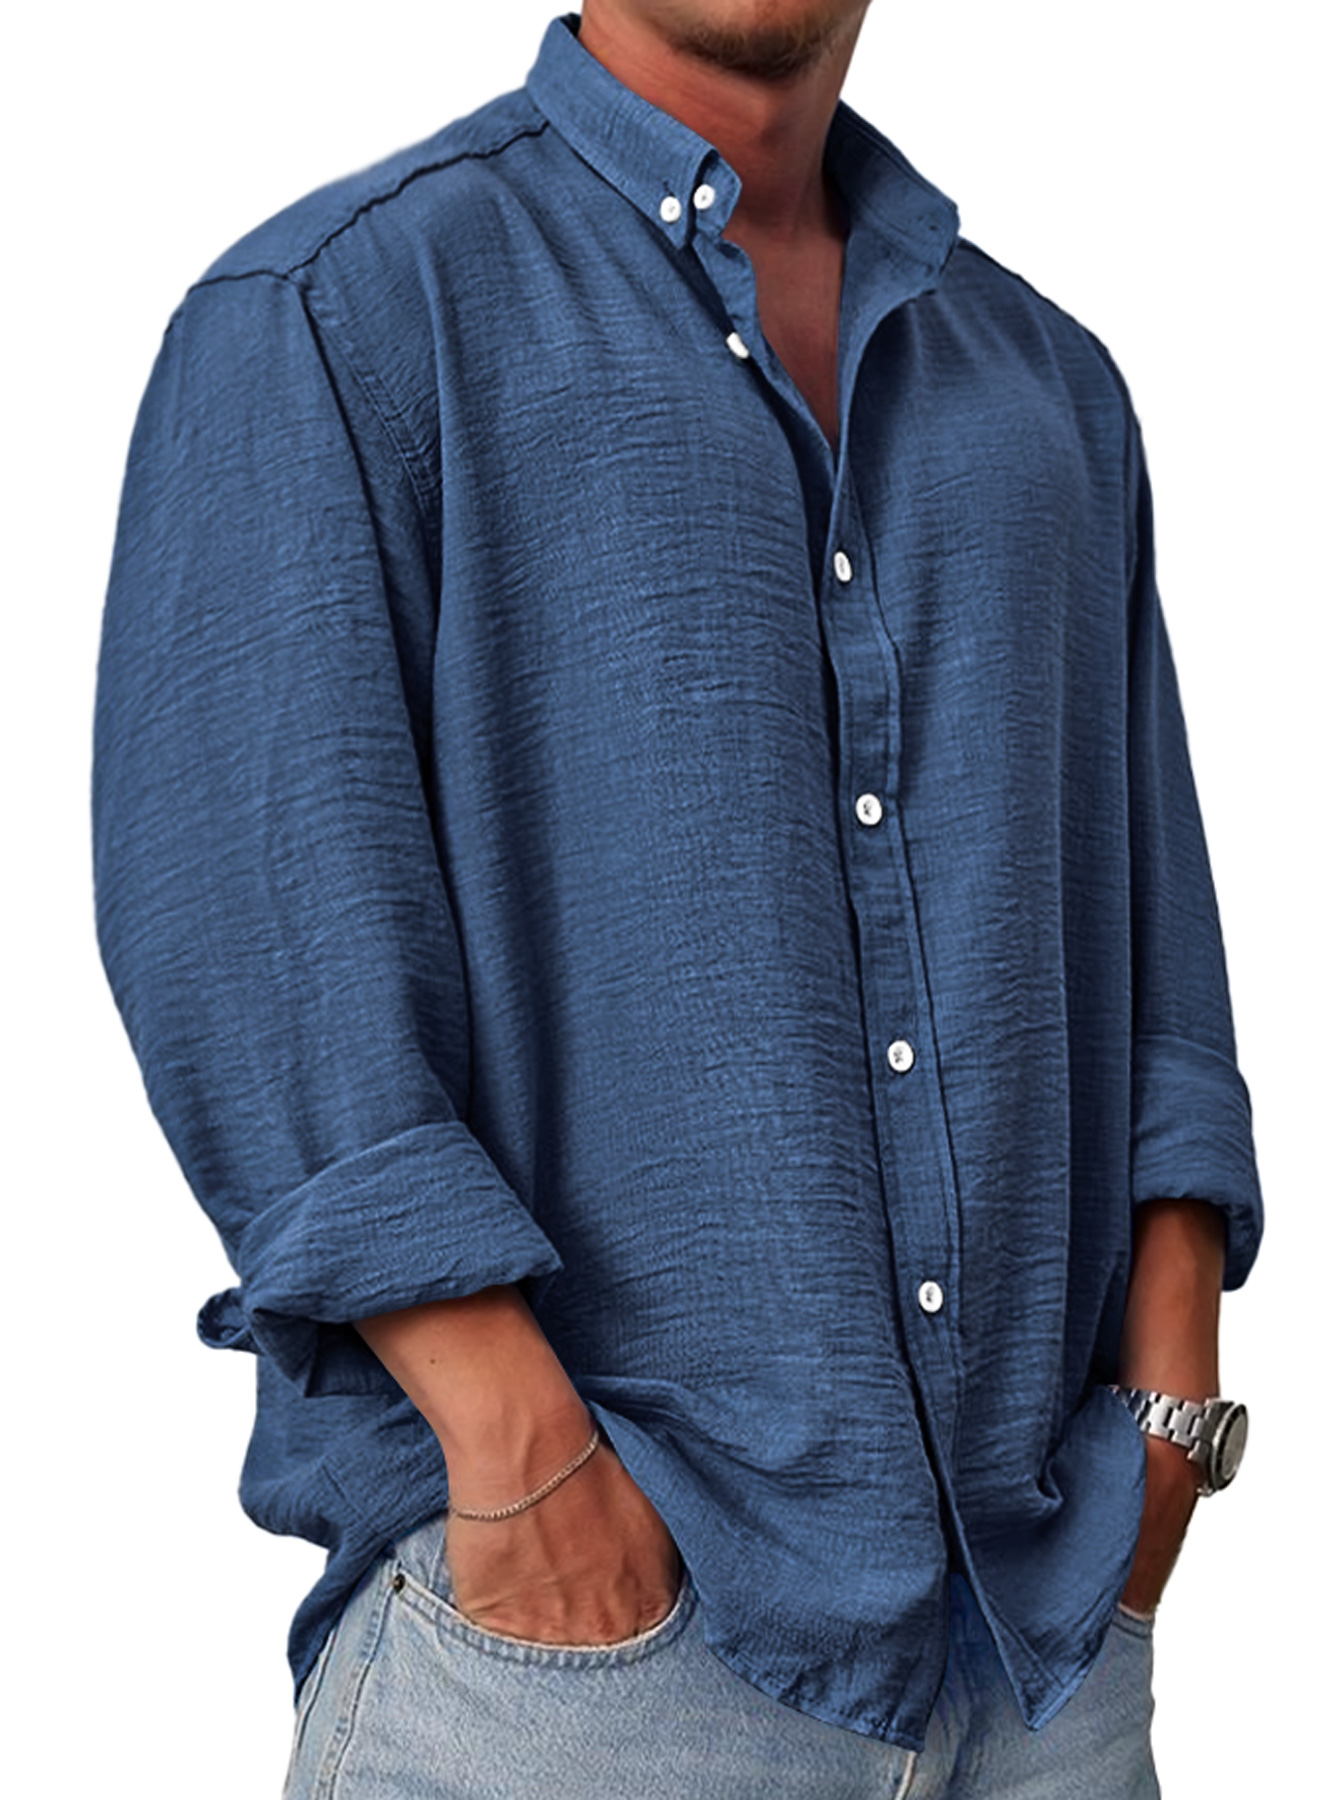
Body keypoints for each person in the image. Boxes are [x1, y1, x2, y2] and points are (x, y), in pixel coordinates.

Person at [92, 4, 1262, 1795]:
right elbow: (247, 940)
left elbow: (1156, 947)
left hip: (1043, 1657)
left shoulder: (1050, 388)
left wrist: (1165, 1426)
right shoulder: (335, 313)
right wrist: (519, 1449)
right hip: (588, 1666)